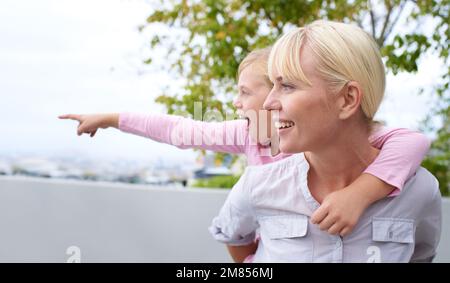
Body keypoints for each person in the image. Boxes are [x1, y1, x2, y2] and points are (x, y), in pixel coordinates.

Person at [59, 45, 432, 263]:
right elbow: (177, 131)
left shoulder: (374, 144)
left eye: (243, 92)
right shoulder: (249, 135)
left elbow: (412, 142)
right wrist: (111, 118)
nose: (236, 103)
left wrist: (360, 192)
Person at [209, 20, 441, 262]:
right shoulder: (257, 185)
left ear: (347, 99)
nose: (268, 103)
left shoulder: (421, 191)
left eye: (287, 85)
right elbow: (233, 238)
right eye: (272, 85)